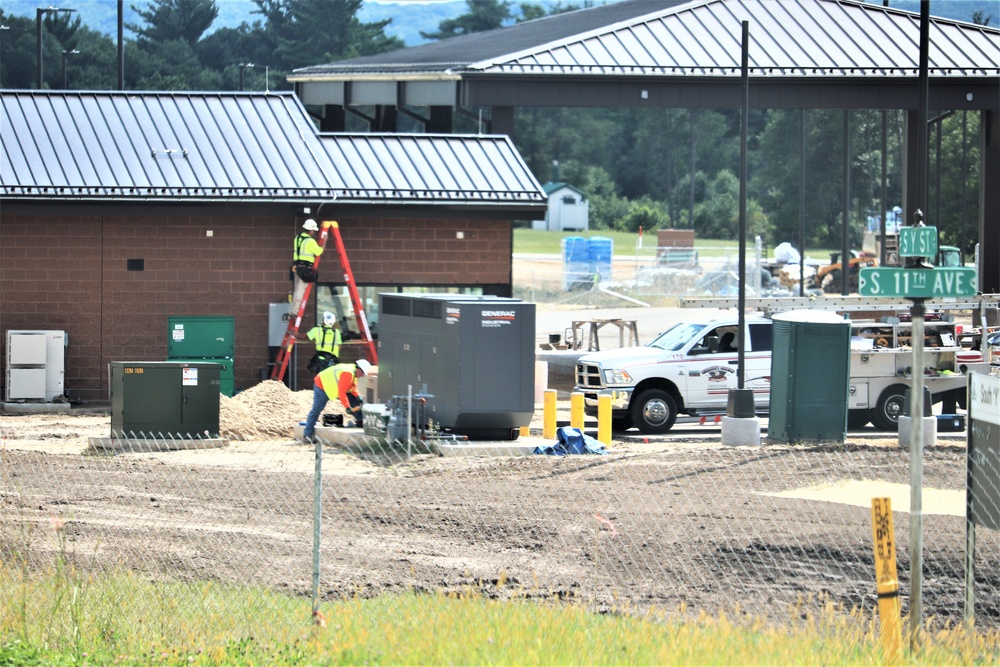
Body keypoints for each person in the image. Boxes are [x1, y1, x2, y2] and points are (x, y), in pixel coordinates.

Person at [303, 359, 372, 441]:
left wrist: (358, 396)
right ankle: (307, 434)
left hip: (332, 387)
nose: (362, 376)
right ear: (358, 368)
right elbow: (342, 392)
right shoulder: (347, 373)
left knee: (354, 400)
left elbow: (351, 388)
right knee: (316, 410)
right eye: (362, 373)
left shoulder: (354, 373)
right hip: (322, 386)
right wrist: (347, 407)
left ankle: (361, 421)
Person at [291, 219, 324, 315]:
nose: (314, 232)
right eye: (313, 230)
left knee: (297, 290)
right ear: (310, 230)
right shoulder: (310, 241)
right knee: (301, 291)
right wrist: (324, 242)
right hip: (305, 268)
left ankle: (293, 309)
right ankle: (296, 311)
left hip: (297, 266)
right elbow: (319, 252)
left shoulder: (298, 238)